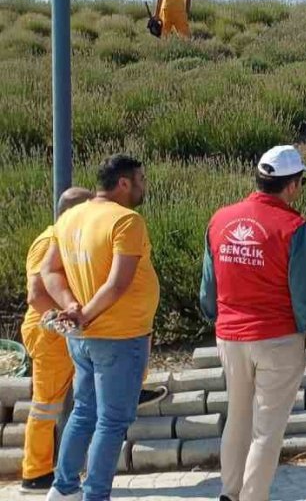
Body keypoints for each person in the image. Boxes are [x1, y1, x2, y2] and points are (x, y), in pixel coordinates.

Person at [199, 145, 306, 501]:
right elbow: (305, 297)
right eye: (301, 182)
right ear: (291, 185)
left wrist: (220, 319)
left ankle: (229, 493)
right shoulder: (294, 228)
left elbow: (208, 289)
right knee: (267, 430)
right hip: (277, 339)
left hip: (230, 336)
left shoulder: (220, 219)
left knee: (237, 419)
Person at [40, 155, 159, 501]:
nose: (144, 186)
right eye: (141, 179)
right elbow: (118, 283)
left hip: (84, 339)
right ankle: (95, 495)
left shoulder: (70, 217)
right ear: (123, 183)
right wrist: (84, 314)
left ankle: (63, 488)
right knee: (112, 421)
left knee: (84, 412)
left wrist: (71, 306)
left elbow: (49, 270)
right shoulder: (126, 220)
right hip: (119, 336)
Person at [18, 187, 92, 494]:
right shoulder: (49, 241)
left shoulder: (65, 238)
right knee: (46, 405)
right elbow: (36, 295)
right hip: (48, 332)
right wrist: (68, 322)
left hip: (58, 329)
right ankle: (35, 473)